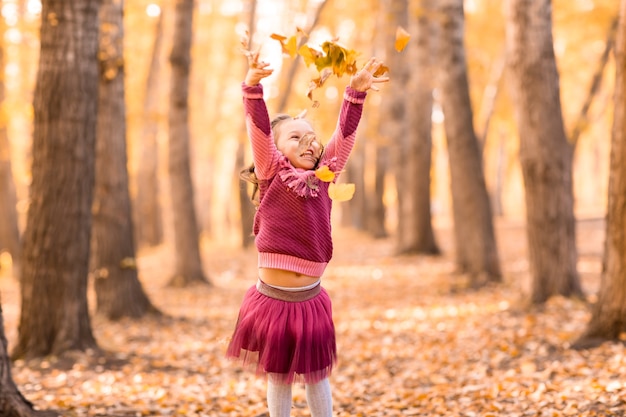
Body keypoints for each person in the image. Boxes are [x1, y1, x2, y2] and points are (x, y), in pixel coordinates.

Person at [226, 49, 388, 417]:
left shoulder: (325, 176)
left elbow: (344, 136)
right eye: (295, 137)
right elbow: (260, 130)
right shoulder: (272, 173)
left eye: (311, 137)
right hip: (273, 299)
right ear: (277, 150)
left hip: (311, 300)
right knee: (280, 378)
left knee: (317, 378)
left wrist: (355, 94)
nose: (308, 142)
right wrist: (252, 87)